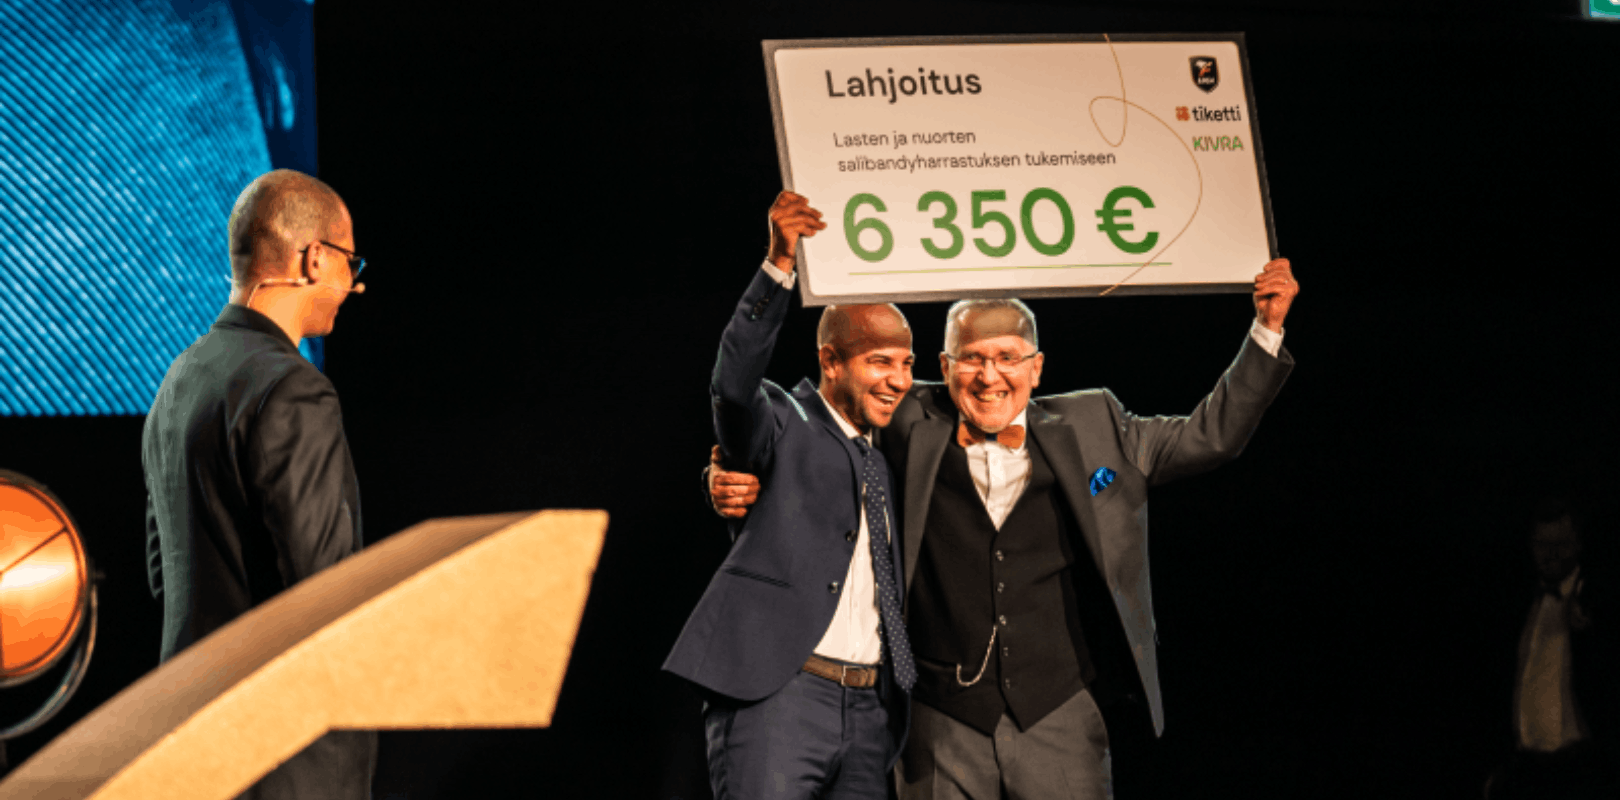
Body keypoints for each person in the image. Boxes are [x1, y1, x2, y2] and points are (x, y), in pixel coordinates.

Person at [709, 205, 1299, 798]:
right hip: (941, 722)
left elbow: (1210, 437)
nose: (989, 377)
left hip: (1059, 716)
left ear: (1036, 368)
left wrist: (1266, 329)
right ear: (944, 368)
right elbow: (806, 429)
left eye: (1008, 357)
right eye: (972, 359)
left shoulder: (1096, 423)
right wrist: (731, 470)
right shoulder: (907, 416)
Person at [663, 191, 916, 800]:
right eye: (880, 362)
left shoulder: (896, 447)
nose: (899, 381)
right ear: (831, 361)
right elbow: (734, 386)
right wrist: (778, 265)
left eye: (907, 364)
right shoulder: (784, 418)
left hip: (870, 711)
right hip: (779, 694)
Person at [142, 169, 374, 799]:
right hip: (283, 759)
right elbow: (324, 590)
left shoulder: (179, 380)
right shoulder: (294, 389)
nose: (354, 285)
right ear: (314, 258)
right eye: (350, 264)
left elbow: (165, 575)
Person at [1485, 498, 1617, 799]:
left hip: (1581, 769)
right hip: (1525, 769)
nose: (1551, 553)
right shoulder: (1519, 605)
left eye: (1561, 543)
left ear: (1579, 545)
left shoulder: (1593, 597)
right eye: (1542, 544)